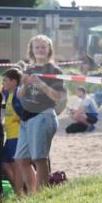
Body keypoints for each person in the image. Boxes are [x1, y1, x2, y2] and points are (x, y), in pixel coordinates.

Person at [15, 34, 66, 193]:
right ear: (32, 50)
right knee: (21, 158)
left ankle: (42, 193)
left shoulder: (54, 70)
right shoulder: (28, 68)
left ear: (49, 49)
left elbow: (57, 97)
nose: (40, 50)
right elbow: (19, 96)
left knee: (39, 158)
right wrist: (24, 85)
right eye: (37, 47)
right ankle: (33, 192)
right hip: (26, 118)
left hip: (43, 116)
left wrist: (41, 84)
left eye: (43, 47)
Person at [0, 69, 24, 195]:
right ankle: (18, 187)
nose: (2, 83)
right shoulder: (8, 95)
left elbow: (28, 110)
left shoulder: (18, 95)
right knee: (4, 162)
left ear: (14, 82)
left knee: (16, 164)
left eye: (5, 80)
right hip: (9, 136)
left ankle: (20, 191)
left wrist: (21, 117)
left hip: (17, 136)